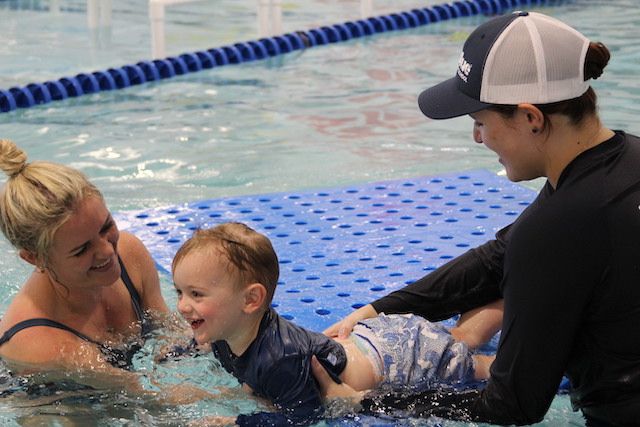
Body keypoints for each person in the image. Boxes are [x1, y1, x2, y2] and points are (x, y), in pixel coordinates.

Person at [313, 10, 640, 426]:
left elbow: (511, 405)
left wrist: (370, 402)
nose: (477, 138)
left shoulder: (558, 228)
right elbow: (498, 258)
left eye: (481, 122)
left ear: (531, 118)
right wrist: (377, 311)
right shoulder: (621, 162)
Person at [171, 222, 502, 425]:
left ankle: (534, 324)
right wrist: (178, 352)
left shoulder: (279, 359)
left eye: (196, 294)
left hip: (403, 361)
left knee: (482, 367)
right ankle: (507, 294)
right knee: (461, 337)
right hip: (371, 341)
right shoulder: (222, 333)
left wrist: (237, 422)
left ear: (250, 300)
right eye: (179, 291)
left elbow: (304, 416)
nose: (183, 306)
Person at [0, 139, 210, 403]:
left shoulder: (129, 254)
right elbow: (143, 399)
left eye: (106, 227)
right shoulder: (41, 343)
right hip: (59, 404)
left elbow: (171, 336)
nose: (108, 252)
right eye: (81, 249)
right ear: (34, 258)